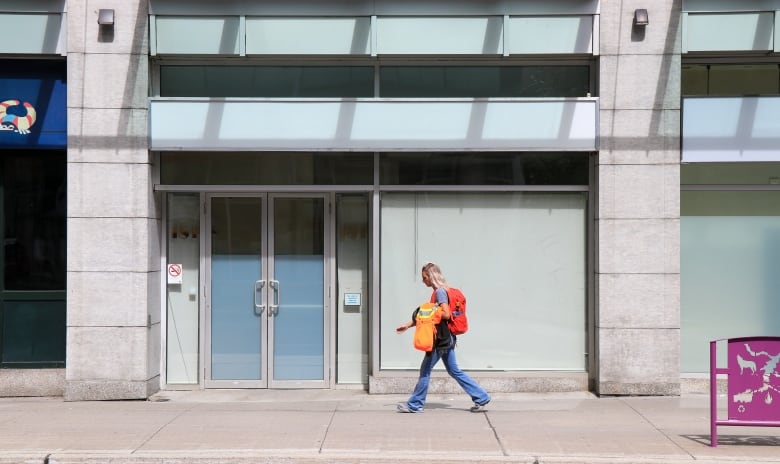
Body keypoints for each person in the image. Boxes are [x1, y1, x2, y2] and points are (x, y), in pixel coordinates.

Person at [395, 262, 491, 413]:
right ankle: (481, 396)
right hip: (448, 337)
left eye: (424, 277)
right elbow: (429, 317)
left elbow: (445, 314)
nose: (423, 280)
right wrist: (408, 325)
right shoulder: (444, 290)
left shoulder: (440, 292)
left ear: (431, 277)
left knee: (425, 370)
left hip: (441, 338)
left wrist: (432, 310)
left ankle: (415, 404)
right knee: (454, 371)